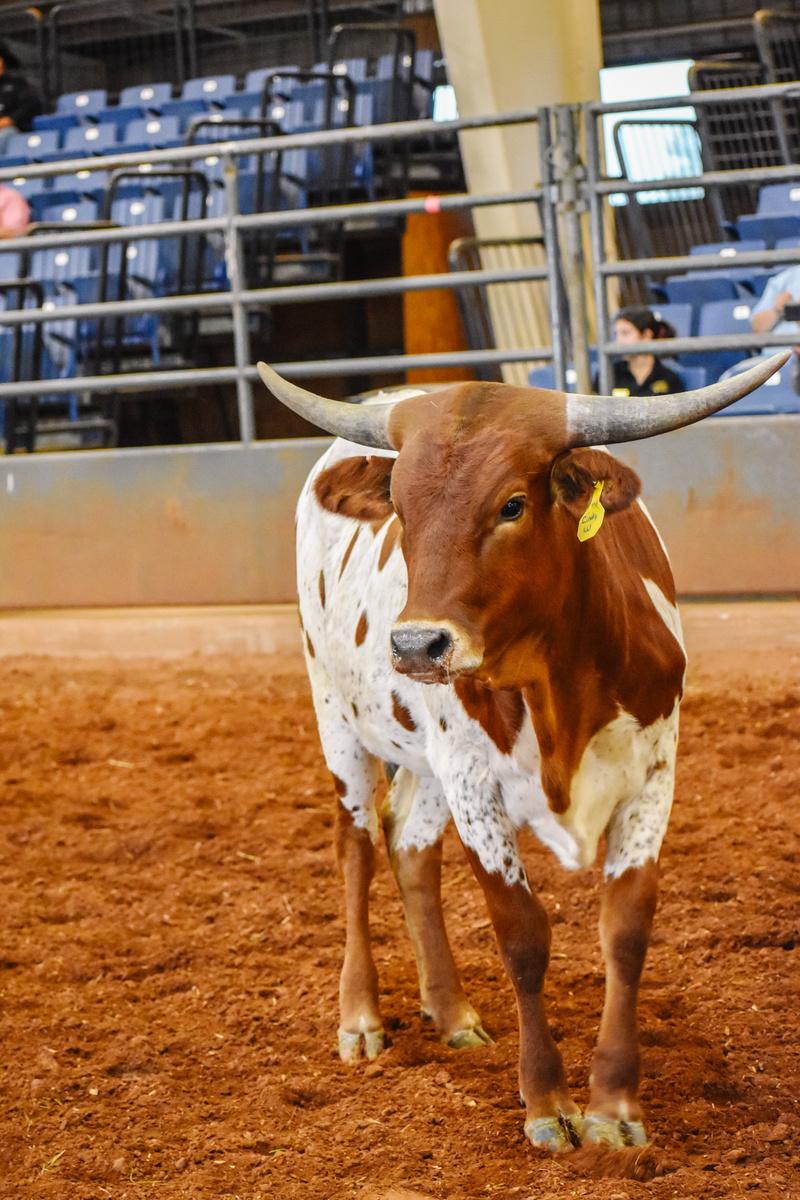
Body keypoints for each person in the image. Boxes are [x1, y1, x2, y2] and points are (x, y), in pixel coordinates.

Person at [600, 306, 685, 397]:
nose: (619, 341)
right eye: (616, 334)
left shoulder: (669, 379)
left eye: (625, 333)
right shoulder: (607, 375)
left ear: (646, 335)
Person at [0, 40, 42, 155]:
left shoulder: (17, 83)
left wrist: (11, 119)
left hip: (13, 131)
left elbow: (30, 105)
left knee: (5, 134)